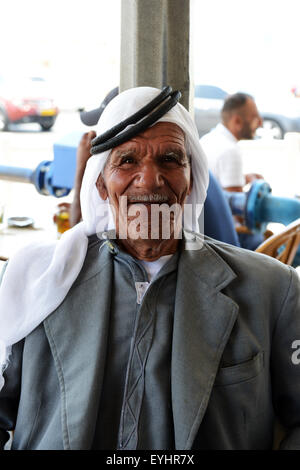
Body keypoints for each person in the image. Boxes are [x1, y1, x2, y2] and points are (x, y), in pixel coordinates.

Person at [0, 86, 300, 451]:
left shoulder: (272, 291)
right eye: (127, 161)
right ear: (101, 184)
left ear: (190, 181)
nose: (150, 179)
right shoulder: (35, 284)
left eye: (170, 160)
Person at [200, 92, 263, 192]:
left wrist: (245, 178)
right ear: (237, 121)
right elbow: (234, 204)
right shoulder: (230, 151)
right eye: (255, 117)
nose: (260, 123)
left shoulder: (208, 139)